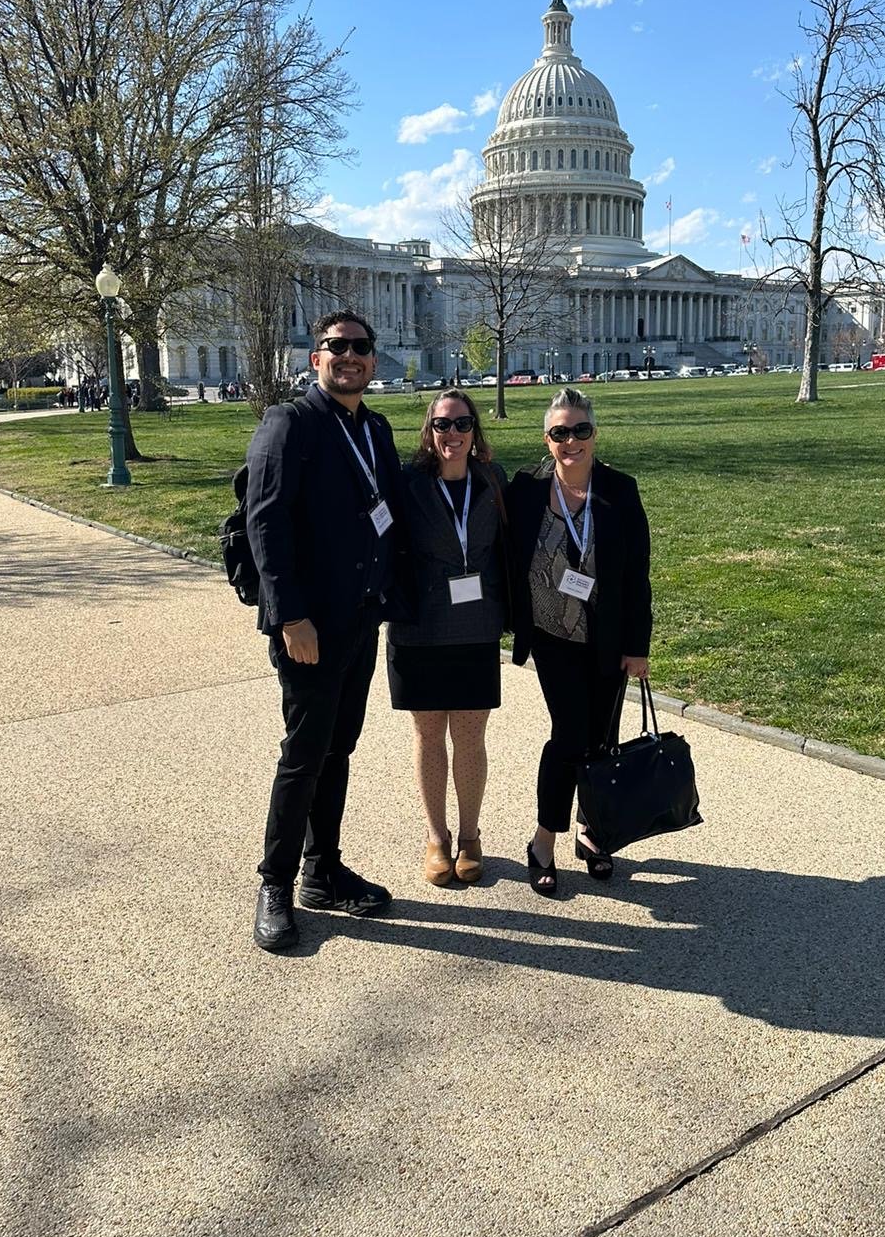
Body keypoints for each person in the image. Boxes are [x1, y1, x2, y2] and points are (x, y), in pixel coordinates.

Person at [245, 310, 409, 953]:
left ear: (372, 361)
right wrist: (289, 614)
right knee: (303, 753)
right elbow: (266, 523)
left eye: (360, 348)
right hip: (308, 625)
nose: (350, 357)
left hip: (360, 617)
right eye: (336, 347)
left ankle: (323, 870)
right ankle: (275, 882)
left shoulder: (374, 427)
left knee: (339, 747)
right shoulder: (290, 423)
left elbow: (390, 506)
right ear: (314, 358)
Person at [508, 387, 651, 896]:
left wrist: (638, 645)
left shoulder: (620, 490)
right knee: (569, 736)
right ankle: (544, 838)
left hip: (608, 640)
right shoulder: (525, 490)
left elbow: (637, 575)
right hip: (552, 637)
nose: (571, 440)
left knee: (602, 739)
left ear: (594, 434)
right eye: (560, 432)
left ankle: (593, 835)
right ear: (547, 440)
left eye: (580, 431)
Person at [387, 389, 508, 886]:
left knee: (471, 735)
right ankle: (436, 838)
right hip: (419, 625)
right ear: (428, 431)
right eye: (442, 425)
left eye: (461, 424)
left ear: (474, 430)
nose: (451, 434)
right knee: (428, 734)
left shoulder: (492, 480)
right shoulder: (408, 483)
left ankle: (471, 835)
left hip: (476, 626)